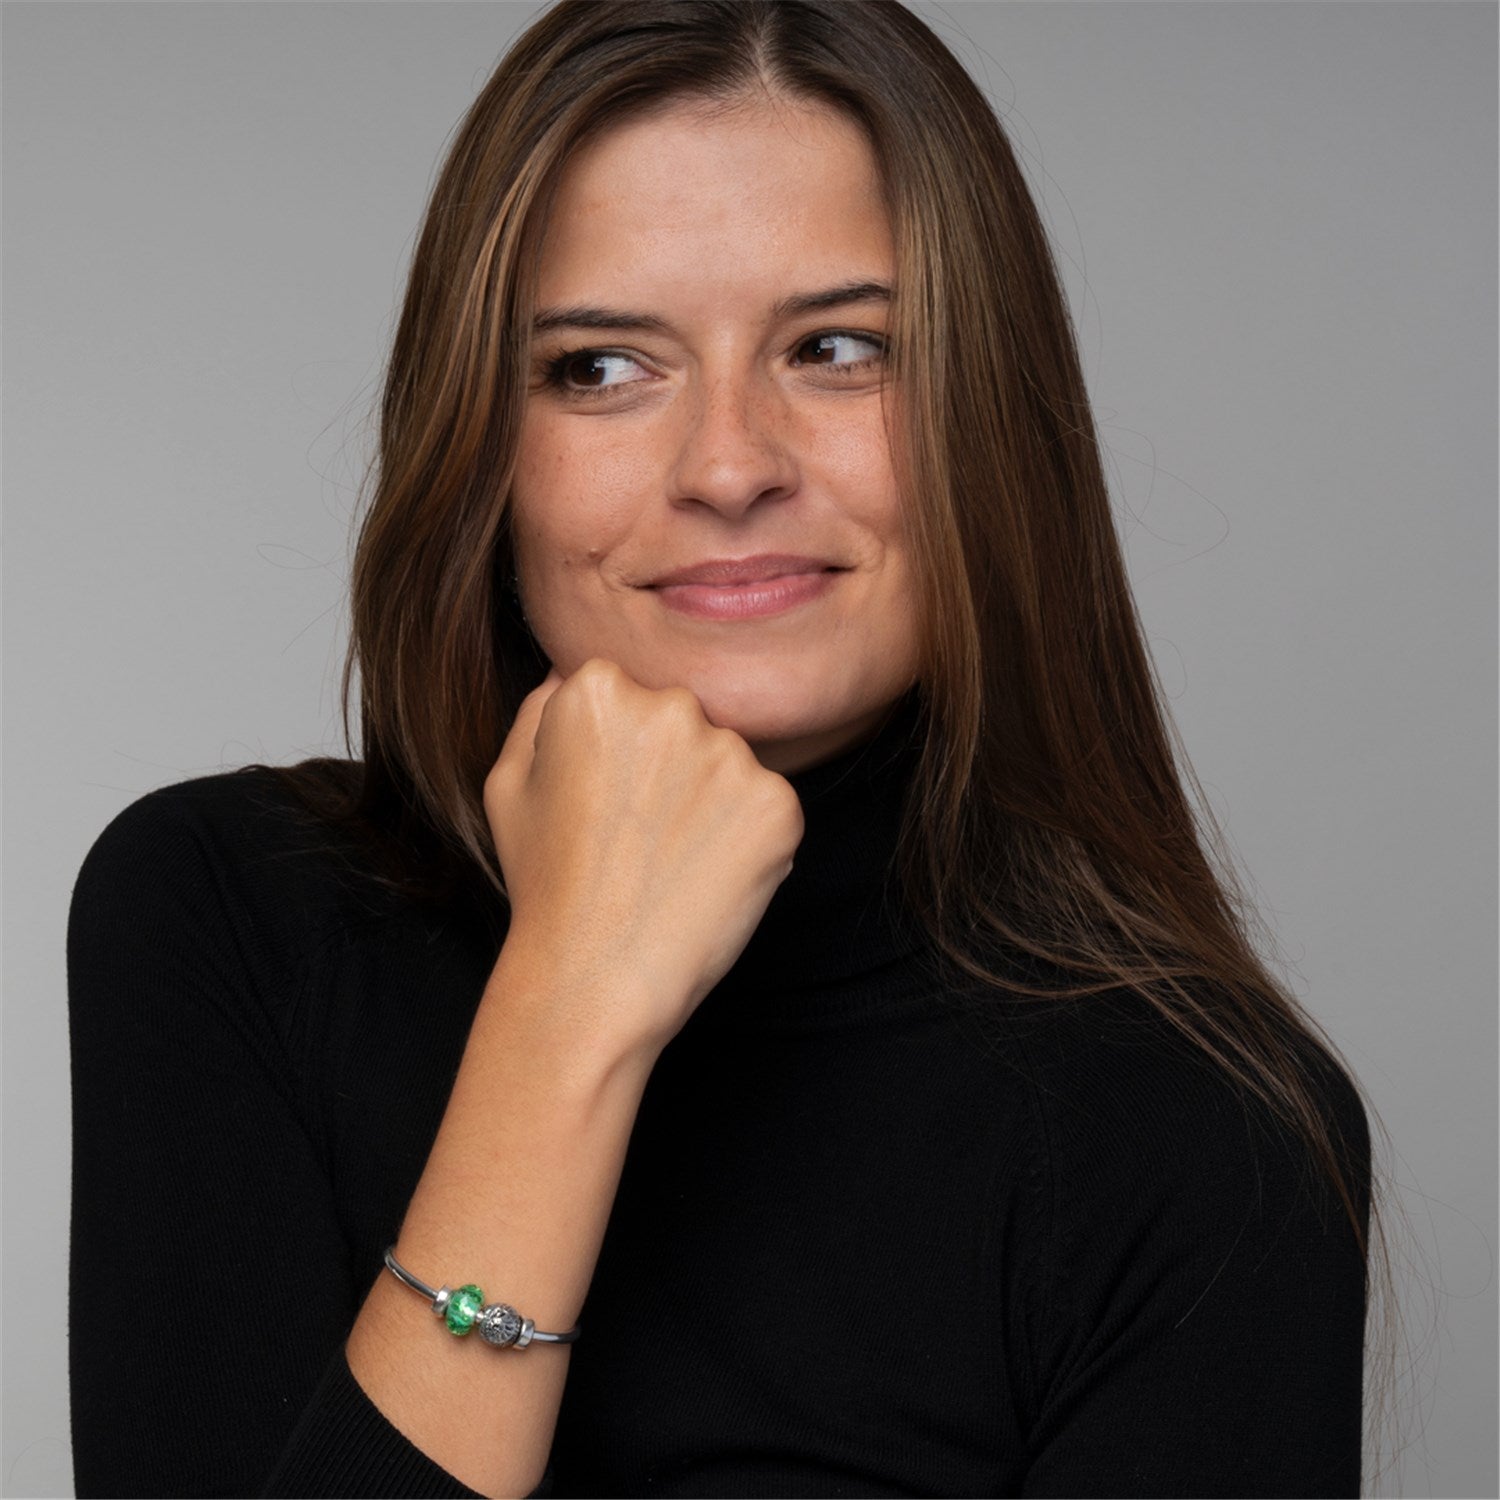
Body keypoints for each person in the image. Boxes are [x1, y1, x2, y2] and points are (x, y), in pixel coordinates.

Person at [66, 2, 1382, 1497]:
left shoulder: (1208, 1133)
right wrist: (571, 1013)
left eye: (839, 348)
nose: (731, 465)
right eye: (600, 368)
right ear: (483, 448)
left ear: (993, 418)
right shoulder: (229, 918)